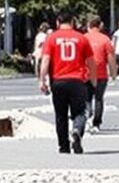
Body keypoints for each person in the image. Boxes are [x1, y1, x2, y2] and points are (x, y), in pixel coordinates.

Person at [39, 13, 92, 155]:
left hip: (58, 81)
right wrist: (93, 80)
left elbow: (45, 61)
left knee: (60, 114)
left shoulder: (51, 38)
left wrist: (41, 80)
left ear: (57, 22)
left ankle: (64, 146)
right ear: (73, 21)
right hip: (77, 81)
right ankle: (77, 130)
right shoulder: (82, 38)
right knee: (80, 112)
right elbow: (91, 61)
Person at [84, 13, 115, 132]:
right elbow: (111, 57)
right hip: (101, 74)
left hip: (86, 73)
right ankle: (97, 123)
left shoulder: (84, 38)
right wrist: (113, 73)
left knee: (86, 99)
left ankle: (87, 118)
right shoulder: (105, 39)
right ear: (100, 25)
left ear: (88, 24)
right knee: (99, 98)